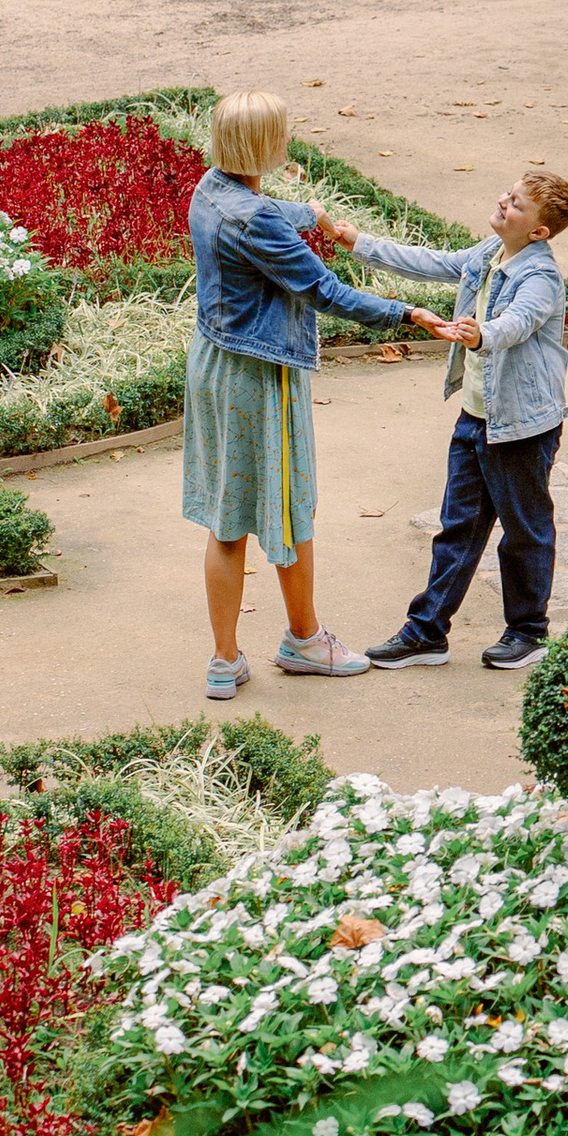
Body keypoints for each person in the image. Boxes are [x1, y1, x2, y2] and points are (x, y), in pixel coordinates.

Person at [184, 90, 403, 700]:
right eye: (281, 133)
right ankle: (304, 639)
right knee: (290, 503)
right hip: (259, 376)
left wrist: (306, 216)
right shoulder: (259, 222)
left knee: (227, 520)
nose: (288, 141)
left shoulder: (209, 189)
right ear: (263, 143)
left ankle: (225, 660)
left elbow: (258, 211)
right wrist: (405, 312)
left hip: (212, 363)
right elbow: (327, 293)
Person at [350, 168, 568, 672]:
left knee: (524, 531)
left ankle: (528, 632)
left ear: (538, 232)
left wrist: (481, 335)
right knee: (458, 527)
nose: (503, 202)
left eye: (516, 203)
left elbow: (518, 323)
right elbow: (433, 263)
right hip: (476, 417)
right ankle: (427, 632)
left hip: (521, 428)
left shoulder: (540, 276)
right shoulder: (490, 254)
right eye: (509, 193)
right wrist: (357, 241)